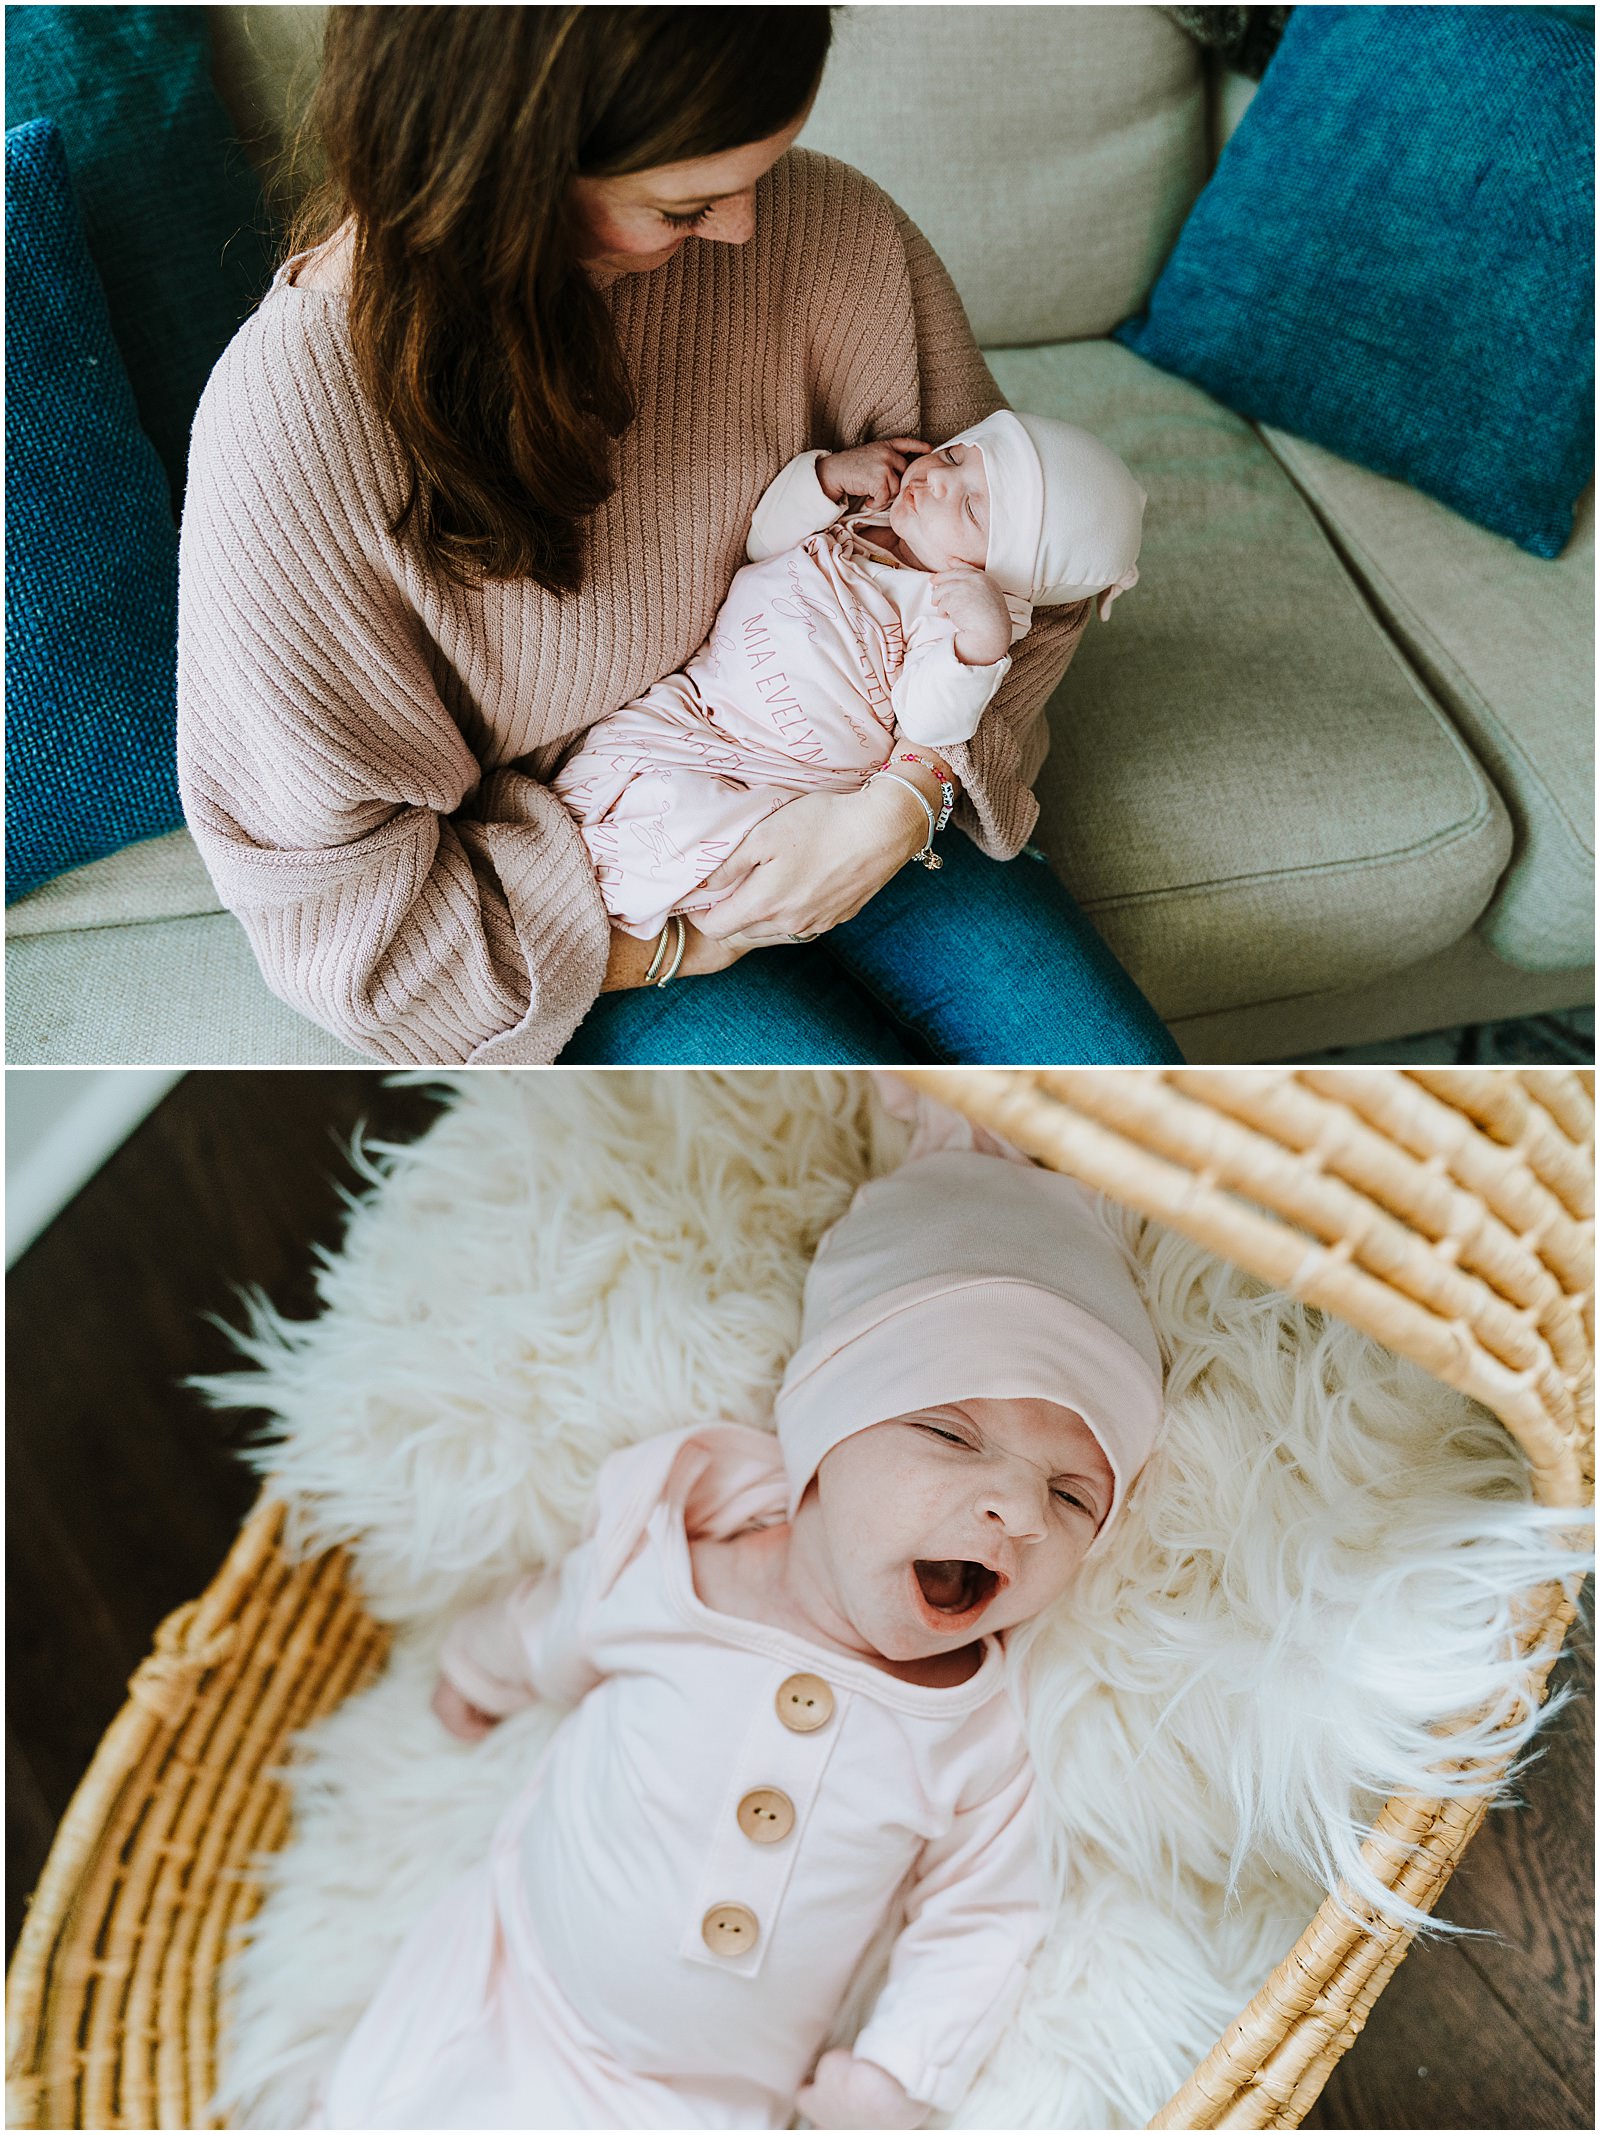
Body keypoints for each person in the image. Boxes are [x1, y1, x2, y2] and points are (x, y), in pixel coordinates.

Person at [177, 5, 1181, 1066]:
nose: (745, 227)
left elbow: (1038, 571)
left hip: (860, 785)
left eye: (762, 169)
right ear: (502, 175)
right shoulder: (292, 433)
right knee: (856, 1153)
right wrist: (687, 938)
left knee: (1142, 1107)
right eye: (684, 203)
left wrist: (901, 805)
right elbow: (356, 934)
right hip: (593, 893)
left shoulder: (826, 232)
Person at [307, 1091, 1166, 2128]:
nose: (1018, 1508)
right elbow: (555, 1616)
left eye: (1073, 1495)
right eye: (950, 1432)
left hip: (704, 2103)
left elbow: (982, 1917)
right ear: (826, 1426)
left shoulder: (983, 1736)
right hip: (517, 1986)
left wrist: (889, 2076)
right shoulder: (679, 1571)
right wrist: (480, 1671)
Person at [553, 413, 1145, 969]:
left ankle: (622, 908)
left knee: (702, 832)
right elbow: (763, 542)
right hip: (703, 704)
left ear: (1007, 569)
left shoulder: (961, 614)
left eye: (971, 508)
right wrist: (827, 478)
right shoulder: (865, 517)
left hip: (785, 777)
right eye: (960, 456)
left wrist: (980, 647)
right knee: (607, 757)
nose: (938, 480)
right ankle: (566, 860)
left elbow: (932, 721)